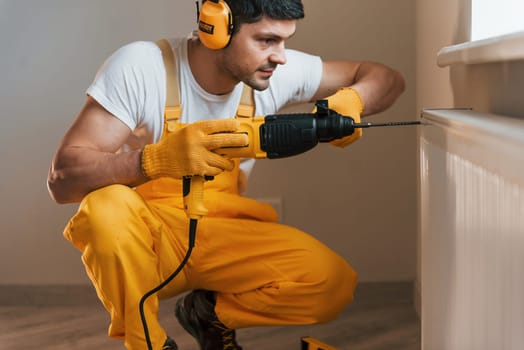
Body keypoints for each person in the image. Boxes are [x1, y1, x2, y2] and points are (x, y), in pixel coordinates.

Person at [47, 0, 405, 349]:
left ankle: (210, 316)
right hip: (150, 241)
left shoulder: (274, 71)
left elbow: (387, 78)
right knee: (104, 208)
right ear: (215, 27)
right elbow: (63, 179)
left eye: (284, 41)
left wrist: (353, 100)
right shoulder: (143, 66)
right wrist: (152, 160)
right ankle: (148, 343)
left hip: (224, 230)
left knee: (330, 282)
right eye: (266, 40)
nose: (280, 55)